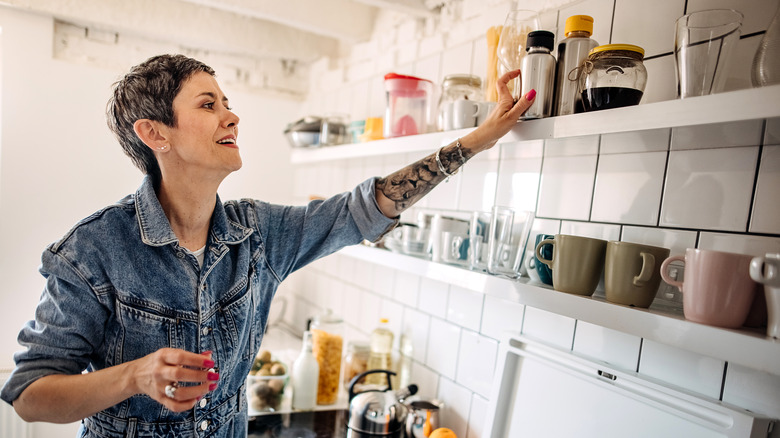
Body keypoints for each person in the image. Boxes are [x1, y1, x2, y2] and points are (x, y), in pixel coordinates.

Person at [0, 54, 535, 437]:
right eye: (208, 104)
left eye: (227, 102)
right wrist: (136, 376)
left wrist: (476, 140)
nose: (232, 115)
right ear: (155, 134)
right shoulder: (93, 249)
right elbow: (29, 395)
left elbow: (360, 208)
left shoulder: (259, 234)